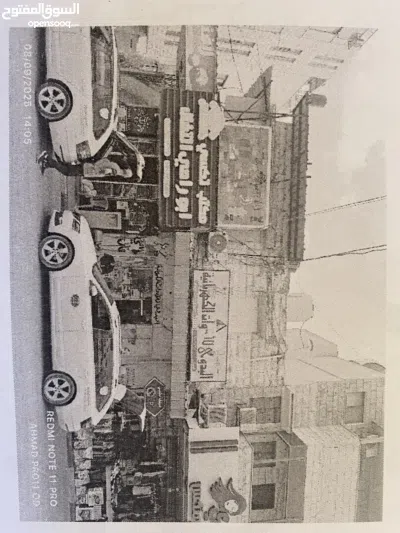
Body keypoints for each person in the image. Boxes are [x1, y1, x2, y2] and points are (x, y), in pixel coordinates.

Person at [37, 150, 133, 179]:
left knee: (66, 167)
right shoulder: (115, 170)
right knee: (67, 171)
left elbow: (104, 161)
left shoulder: (116, 168)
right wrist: (95, 168)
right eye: (127, 175)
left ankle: (46, 164)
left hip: (87, 169)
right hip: (87, 169)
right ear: (125, 173)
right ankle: (46, 157)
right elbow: (104, 164)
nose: (126, 176)